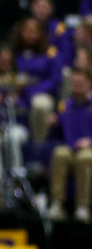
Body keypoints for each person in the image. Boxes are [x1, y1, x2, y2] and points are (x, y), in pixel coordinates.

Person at [49, 68, 92, 222]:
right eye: (74, 84)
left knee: (85, 158)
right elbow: (57, 135)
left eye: (81, 84)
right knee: (59, 153)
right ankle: (57, 204)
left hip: (88, 149)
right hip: (69, 147)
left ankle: (83, 207)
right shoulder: (65, 106)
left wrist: (89, 142)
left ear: (89, 84)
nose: (77, 87)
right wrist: (53, 124)